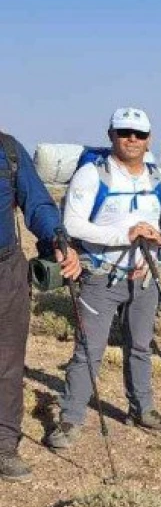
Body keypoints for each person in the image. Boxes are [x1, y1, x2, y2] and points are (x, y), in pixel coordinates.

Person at [46, 107, 161, 450]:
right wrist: (126, 234)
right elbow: (74, 225)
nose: (132, 139)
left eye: (139, 134)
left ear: (148, 138)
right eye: (124, 132)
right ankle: (71, 418)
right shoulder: (92, 175)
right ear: (111, 135)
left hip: (146, 277)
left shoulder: (158, 178)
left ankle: (143, 409)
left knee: (140, 346)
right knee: (89, 350)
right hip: (101, 275)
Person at [0, 131, 81, 480]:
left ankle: (3, 446)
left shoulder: (8, 150)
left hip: (5, 269)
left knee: (7, 362)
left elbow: (38, 204)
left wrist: (56, 239)